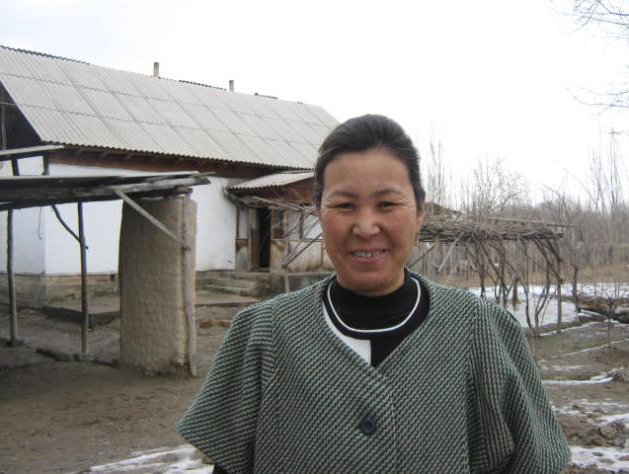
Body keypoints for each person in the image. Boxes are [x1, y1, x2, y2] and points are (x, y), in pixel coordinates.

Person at [178, 114, 571, 473]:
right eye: (345, 205)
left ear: (420, 211)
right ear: (319, 211)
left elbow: (535, 462)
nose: (366, 227)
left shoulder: (482, 332)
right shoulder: (261, 336)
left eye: (386, 203)